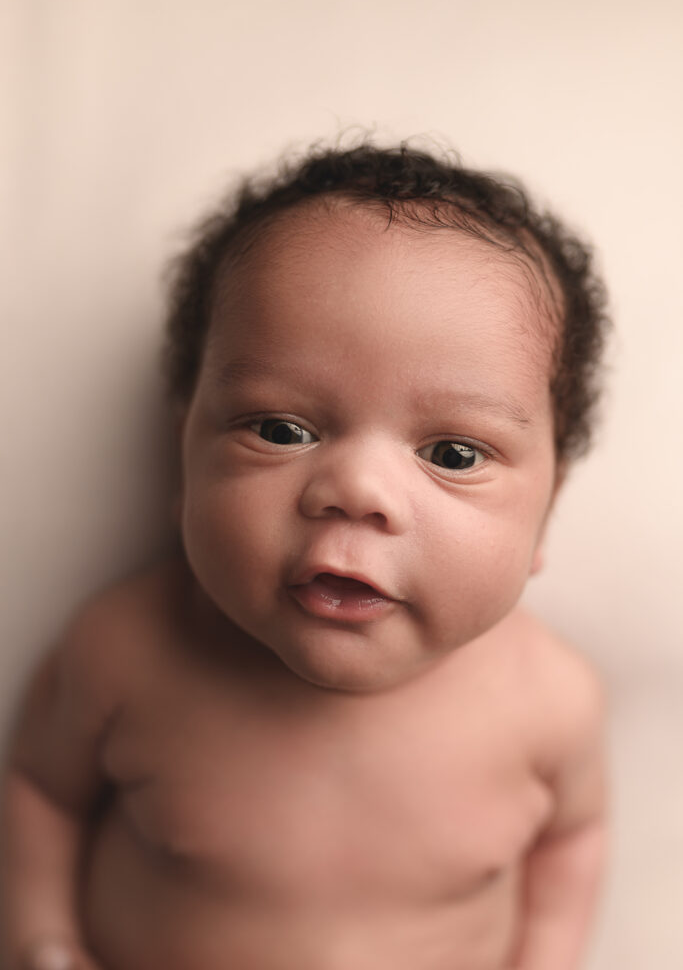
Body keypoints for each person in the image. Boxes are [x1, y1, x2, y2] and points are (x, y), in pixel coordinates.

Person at [0, 142, 610, 970]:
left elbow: (570, 839)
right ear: (185, 453)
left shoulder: (549, 702)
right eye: (281, 431)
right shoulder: (125, 652)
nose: (357, 490)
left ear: (546, 513)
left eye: (454, 454)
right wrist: (42, 939)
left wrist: (546, 954)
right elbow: (39, 792)